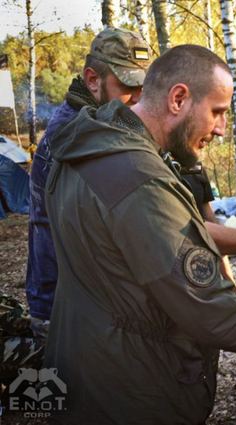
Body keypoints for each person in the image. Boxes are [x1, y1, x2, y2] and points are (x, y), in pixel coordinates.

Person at [43, 44, 236, 425]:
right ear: (178, 99)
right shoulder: (139, 180)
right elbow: (208, 309)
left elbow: (155, 233)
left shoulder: (90, 149)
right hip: (130, 389)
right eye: (217, 112)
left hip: (85, 366)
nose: (221, 128)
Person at [25, 27, 150, 338]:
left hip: (80, 297)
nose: (137, 97)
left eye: (143, 87)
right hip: (64, 305)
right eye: (127, 85)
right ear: (93, 80)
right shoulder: (73, 134)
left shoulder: (98, 119)